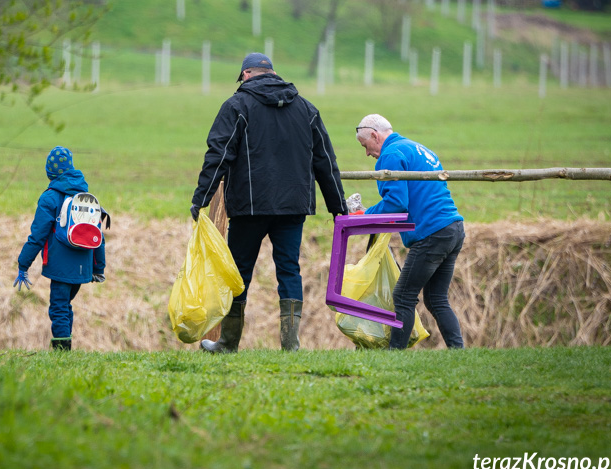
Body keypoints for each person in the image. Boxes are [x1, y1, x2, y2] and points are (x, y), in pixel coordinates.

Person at [190, 52, 349, 353]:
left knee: (238, 273)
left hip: (250, 206)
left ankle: (228, 343)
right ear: (273, 73)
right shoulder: (306, 108)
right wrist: (337, 206)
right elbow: (325, 161)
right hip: (293, 206)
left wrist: (202, 197)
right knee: (289, 269)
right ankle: (290, 345)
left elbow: (219, 154)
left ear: (247, 75)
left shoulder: (237, 105)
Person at [353, 114, 465, 349]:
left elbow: (395, 203)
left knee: (403, 296)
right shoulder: (418, 148)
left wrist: (365, 215)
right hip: (452, 228)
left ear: (375, 135)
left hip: (432, 232)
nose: (367, 153)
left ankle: (395, 354)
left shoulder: (391, 155)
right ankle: (458, 350)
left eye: (365, 146)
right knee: (435, 299)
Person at [14, 146, 107, 350]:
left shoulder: (49, 198)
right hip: (83, 266)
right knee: (65, 306)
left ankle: (62, 352)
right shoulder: (86, 197)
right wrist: (98, 268)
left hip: (60, 266)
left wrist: (23, 264)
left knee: (58, 308)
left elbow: (37, 236)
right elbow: (99, 236)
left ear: (50, 172)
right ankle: (66, 347)